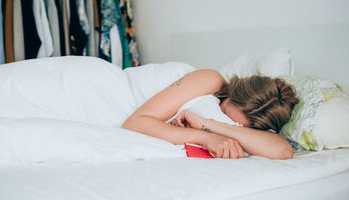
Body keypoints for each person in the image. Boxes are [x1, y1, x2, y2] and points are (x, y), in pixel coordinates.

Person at [121, 68, 299, 160]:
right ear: (231, 92)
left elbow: (282, 151)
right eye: (224, 112)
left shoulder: (258, 120)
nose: (223, 119)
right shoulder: (210, 79)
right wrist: (204, 137)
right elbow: (134, 124)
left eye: (236, 125)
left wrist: (208, 125)